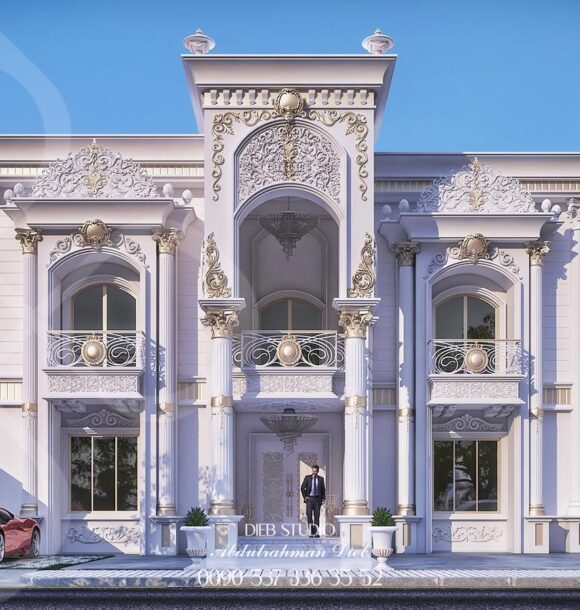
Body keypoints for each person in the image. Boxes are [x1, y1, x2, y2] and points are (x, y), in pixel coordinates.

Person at [300, 464, 326, 538]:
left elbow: (323, 490)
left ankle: (316, 533)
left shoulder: (321, 479)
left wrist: (323, 499)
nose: (314, 472)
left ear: (318, 471)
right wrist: (305, 497)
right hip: (310, 499)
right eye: (313, 471)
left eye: (315, 471)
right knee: (309, 515)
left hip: (318, 499)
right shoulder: (307, 478)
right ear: (312, 470)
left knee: (317, 516)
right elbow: (302, 488)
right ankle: (311, 532)